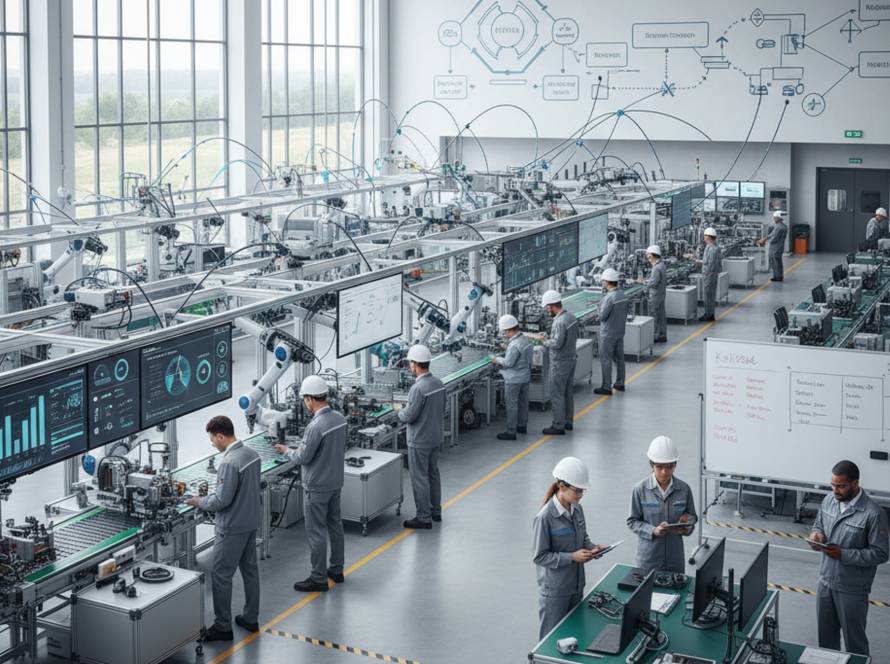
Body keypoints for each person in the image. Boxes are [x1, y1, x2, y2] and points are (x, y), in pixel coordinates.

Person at [187, 415, 261, 641]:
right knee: (250, 571)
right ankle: (250, 618)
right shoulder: (252, 454)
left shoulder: (229, 462)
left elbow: (222, 500)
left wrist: (198, 501)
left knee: (220, 575)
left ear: (221, 435)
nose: (212, 443)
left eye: (212, 439)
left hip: (231, 528)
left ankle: (222, 627)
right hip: (250, 522)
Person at [275, 375, 347, 592]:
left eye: (304, 400)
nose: (304, 404)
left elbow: (303, 458)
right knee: (335, 525)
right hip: (335, 481)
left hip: (317, 486)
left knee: (316, 531)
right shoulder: (339, 418)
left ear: (310, 399)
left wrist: (286, 450)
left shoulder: (316, 426)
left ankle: (318, 578)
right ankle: (336, 569)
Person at [809, 460, 889, 656]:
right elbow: (818, 525)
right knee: (826, 640)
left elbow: (881, 553)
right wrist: (816, 535)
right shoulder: (829, 500)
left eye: (841, 486)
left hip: (852, 589)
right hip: (825, 582)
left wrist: (843, 554)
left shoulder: (873, 514)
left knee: (855, 643)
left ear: (855, 484)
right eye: (833, 485)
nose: (836, 490)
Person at [533, 457, 605, 640]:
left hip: (576, 585)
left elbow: (583, 537)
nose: (581, 495)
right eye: (578, 490)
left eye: (583, 490)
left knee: (573, 635)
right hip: (555, 591)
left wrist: (592, 548)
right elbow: (540, 557)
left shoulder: (577, 509)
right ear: (562, 486)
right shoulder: (545, 517)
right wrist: (572, 557)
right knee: (551, 642)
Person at [626, 436, 697, 573]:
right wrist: (653, 530)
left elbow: (693, 517)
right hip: (649, 559)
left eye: (669, 467)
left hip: (675, 558)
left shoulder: (684, 489)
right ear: (651, 465)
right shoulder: (640, 489)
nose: (664, 472)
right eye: (659, 467)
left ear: (675, 464)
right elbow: (632, 521)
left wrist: (687, 526)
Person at [396, 344, 446, 529]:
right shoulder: (438, 383)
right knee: (433, 474)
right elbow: (443, 408)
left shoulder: (418, 389)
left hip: (419, 440)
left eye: (411, 363)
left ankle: (423, 517)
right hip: (435, 437)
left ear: (415, 364)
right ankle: (435, 511)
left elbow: (410, 415)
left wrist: (399, 411)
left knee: (419, 478)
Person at [540, 290, 578, 436]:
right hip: (571, 359)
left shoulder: (559, 321)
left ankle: (558, 425)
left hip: (559, 362)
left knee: (556, 394)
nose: (546, 310)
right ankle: (568, 421)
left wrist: (544, 341)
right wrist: (549, 336)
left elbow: (557, 344)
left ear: (552, 305)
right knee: (568, 392)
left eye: (547, 307)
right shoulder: (571, 317)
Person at [492, 314, 532, 441]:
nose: (505, 335)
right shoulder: (524, 339)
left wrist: (495, 359)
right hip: (525, 377)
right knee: (523, 403)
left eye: (505, 332)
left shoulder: (514, 345)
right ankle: (522, 425)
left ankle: (510, 431)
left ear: (510, 330)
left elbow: (508, 363)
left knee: (512, 405)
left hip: (514, 379)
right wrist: (506, 347)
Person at [594, 268, 628, 395]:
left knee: (606, 359)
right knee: (620, 359)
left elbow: (602, 316)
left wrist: (598, 307)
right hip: (619, 332)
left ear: (608, 282)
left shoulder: (609, 298)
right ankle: (620, 383)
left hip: (607, 334)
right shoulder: (622, 295)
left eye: (603, 281)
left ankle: (606, 386)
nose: (602, 282)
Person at [644, 245, 668, 343]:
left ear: (653, 255)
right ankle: (662, 335)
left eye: (648, 255)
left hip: (655, 295)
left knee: (654, 316)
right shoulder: (662, 265)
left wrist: (644, 282)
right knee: (661, 315)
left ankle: (654, 335)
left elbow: (653, 283)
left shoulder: (656, 268)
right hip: (662, 294)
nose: (647, 257)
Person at [698, 227, 721, 322]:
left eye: (705, 235)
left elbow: (710, 265)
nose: (704, 237)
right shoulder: (711, 247)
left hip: (709, 275)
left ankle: (708, 315)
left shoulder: (713, 249)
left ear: (709, 237)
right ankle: (710, 314)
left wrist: (697, 261)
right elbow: (707, 261)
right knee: (710, 295)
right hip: (711, 274)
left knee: (708, 296)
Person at [757, 211, 788, 282]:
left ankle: (777, 277)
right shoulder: (783, 226)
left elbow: (774, 238)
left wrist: (764, 241)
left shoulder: (779, 227)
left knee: (774, 262)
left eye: (775, 218)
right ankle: (780, 276)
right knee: (779, 262)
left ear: (778, 218)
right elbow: (772, 235)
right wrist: (765, 238)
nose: (774, 219)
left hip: (775, 247)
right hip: (780, 247)